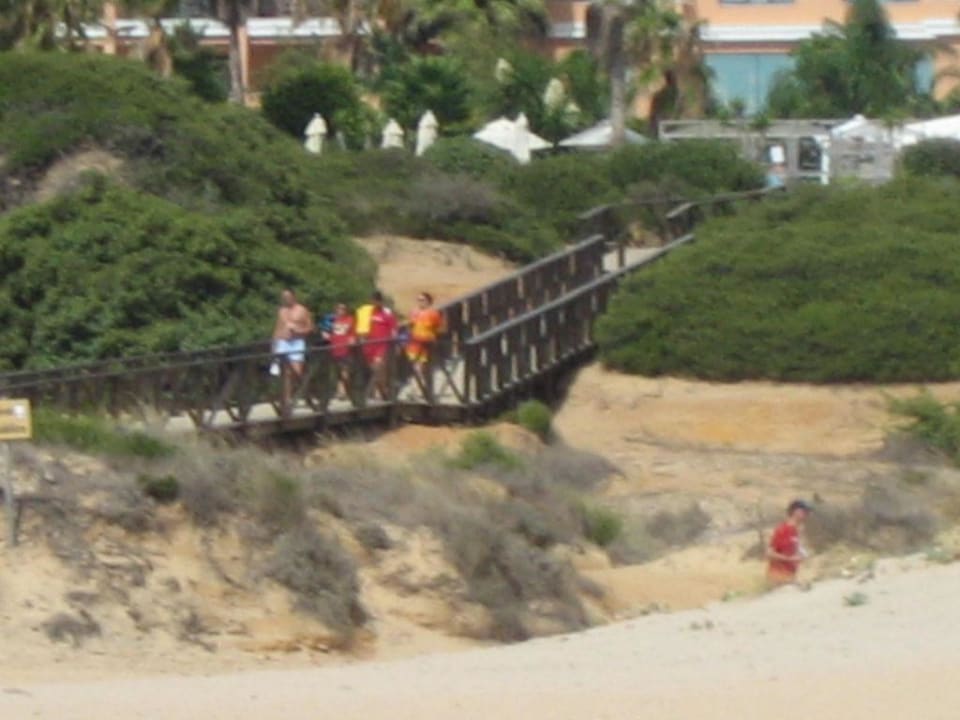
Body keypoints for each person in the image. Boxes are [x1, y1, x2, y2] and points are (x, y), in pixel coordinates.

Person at [272, 289, 313, 415]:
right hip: (283, 342)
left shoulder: (302, 310)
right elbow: (278, 328)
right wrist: (274, 344)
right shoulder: (281, 311)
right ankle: (287, 398)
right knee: (285, 372)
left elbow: (310, 327)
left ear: (293, 297)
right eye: (284, 297)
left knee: (296, 371)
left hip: (297, 342)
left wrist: (300, 331)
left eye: (288, 296)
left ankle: (304, 394)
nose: (286, 299)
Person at [356, 291, 397, 400]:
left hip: (382, 346)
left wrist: (393, 342)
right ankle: (375, 391)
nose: (373, 303)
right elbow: (361, 327)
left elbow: (393, 331)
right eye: (372, 301)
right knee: (371, 369)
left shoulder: (387, 315)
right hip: (369, 345)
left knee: (378, 367)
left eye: (376, 301)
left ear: (380, 302)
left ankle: (382, 392)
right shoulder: (366, 313)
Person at [767, 499, 813, 586]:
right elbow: (769, 553)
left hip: (791, 577)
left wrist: (802, 555)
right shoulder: (782, 530)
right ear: (796, 512)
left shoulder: (798, 530)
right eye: (805, 511)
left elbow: (796, 550)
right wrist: (790, 559)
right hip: (779, 579)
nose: (807, 515)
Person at [406, 292, 443, 397]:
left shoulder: (433, 313)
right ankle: (415, 390)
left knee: (423, 368)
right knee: (415, 367)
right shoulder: (413, 312)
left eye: (422, 300)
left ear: (428, 301)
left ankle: (421, 390)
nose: (420, 302)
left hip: (427, 344)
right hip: (414, 344)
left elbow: (439, 328)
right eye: (418, 299)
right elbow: (410, 326)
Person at [326, 303, 356, 401]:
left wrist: (352, 339)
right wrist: (327, 336)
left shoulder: (350, 320)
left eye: (342, 308)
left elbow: (353, 333)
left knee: (344, 370)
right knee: (336, 372)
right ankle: (340, 391)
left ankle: (342, 391)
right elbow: (329, 333)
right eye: (338, 308)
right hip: (334, 349)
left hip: (345, 349)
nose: (340, 310)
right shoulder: (333, 321)